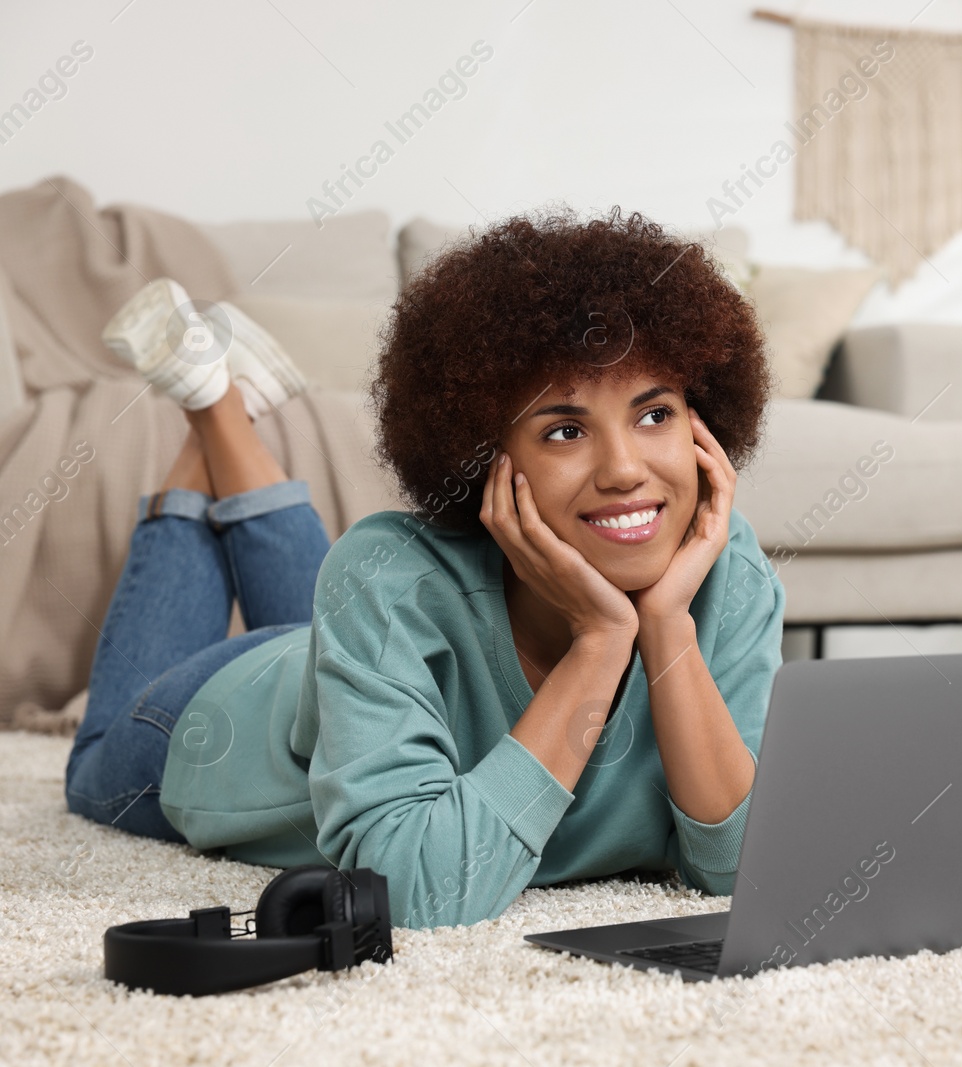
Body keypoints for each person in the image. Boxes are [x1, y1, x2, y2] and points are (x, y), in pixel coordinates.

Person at [64, 206, 786, 928]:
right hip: (221, 715)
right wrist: (601, 641)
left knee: (346, 606)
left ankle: (221, 399)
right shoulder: (384, 580)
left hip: (352, 651)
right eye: (565, 430)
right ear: (483, 458)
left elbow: (735, 868)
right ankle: (214, 407)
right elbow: (417, 890)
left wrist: (664, 627)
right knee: (88, 772)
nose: (626, 469)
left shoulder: (723, 568)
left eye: (654, 414)